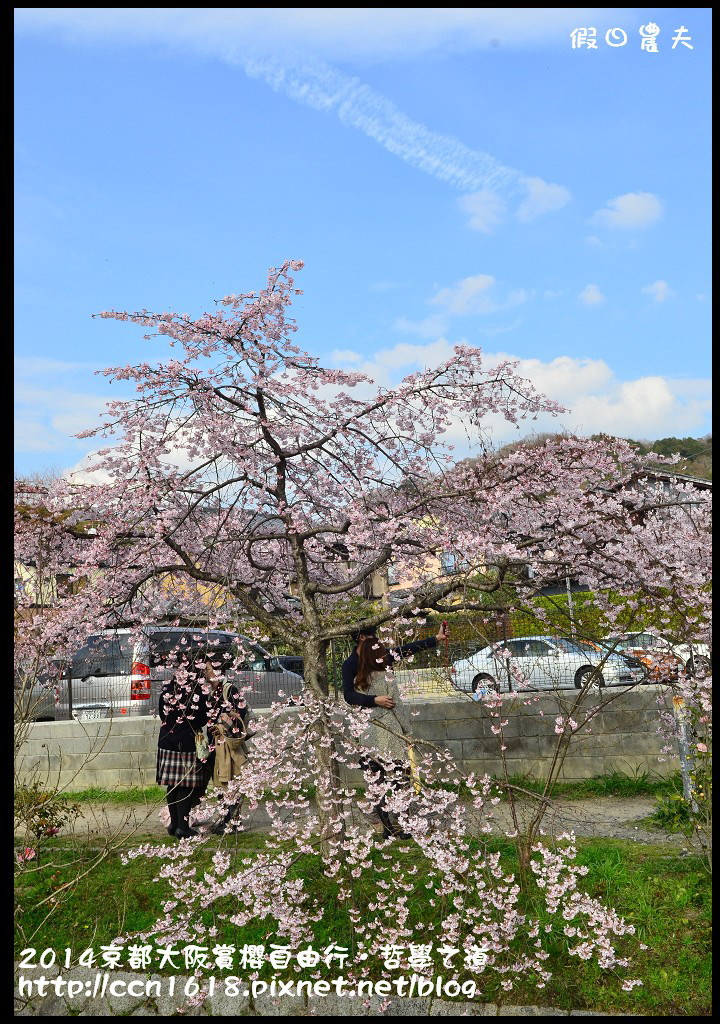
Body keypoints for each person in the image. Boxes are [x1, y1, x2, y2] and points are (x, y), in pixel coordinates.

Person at [342, 622, 449, 839]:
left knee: (378, 780)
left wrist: (435, 639)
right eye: (372, 637)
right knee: (398, 778)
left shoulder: (375, 662)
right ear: (362, 637)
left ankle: (390, 828)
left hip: (367, 730)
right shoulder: (357, 665)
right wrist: (378, 703)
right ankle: (402, 825)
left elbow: (405, 649)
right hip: (383, 730)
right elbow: (349, 696)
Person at [156, 655, 214, 840]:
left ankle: (174, 824)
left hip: (166, 740)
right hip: (186, 743)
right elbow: (203, 718)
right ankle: (183, 826)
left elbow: (161, 713)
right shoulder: (198, 691)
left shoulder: (167, 687)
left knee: (172, 784)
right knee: (186, 786)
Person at [206, 673, 253, 835]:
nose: (206, 673)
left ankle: (232, 821)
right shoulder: (208, 692)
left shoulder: (229, 689)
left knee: (231, 781)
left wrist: (221, 725)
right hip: (215, 745)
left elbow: (240, 712)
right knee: (220, 782)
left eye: (209, 669)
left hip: (229, 744)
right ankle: (224, 819)